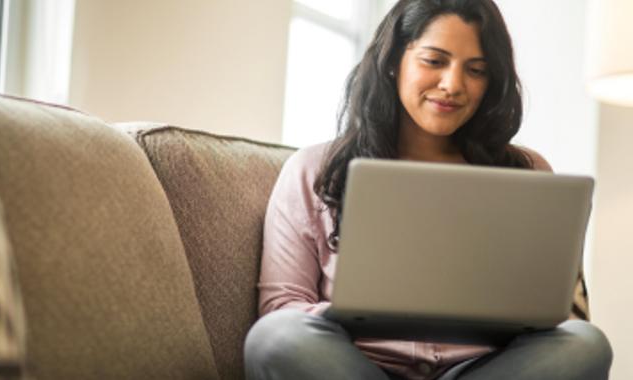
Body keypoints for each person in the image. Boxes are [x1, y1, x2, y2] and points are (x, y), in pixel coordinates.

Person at [243, 0, 613, 379]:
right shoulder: (314, 170)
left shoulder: (528, 173)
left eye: (476, 70)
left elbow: (559, 316)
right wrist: (359, 315)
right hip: (356, 367)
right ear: (392, 61)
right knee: (275, 337)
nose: (453, 84)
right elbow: (282, 306)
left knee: (584, 343)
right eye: (434, 61)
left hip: (483, 371)